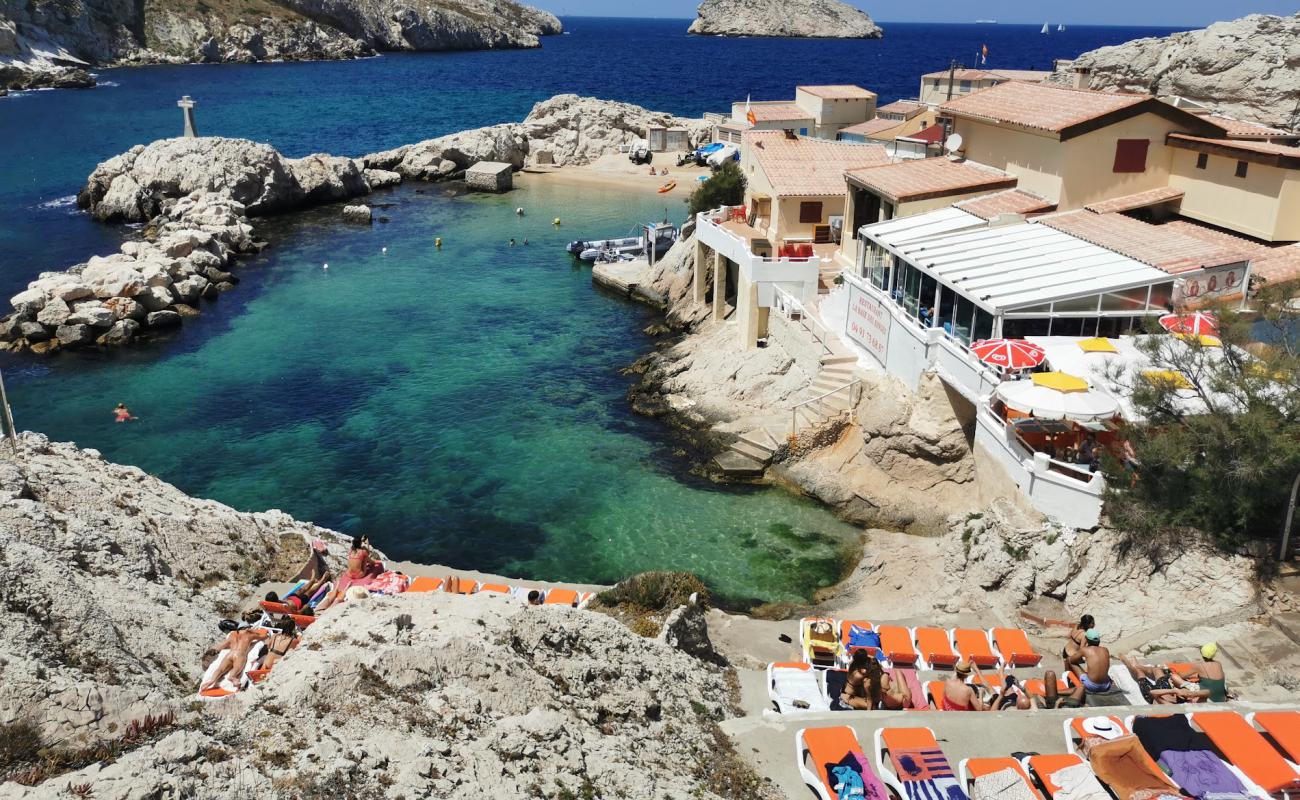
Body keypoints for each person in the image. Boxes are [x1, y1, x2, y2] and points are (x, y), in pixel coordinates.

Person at [1066, 629, 1114, 696]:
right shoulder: (1105, 650)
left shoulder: (1085, 650)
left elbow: (1072, 660)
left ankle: (1066, 683)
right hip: (1106, 685)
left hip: (1092, 686)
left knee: (1068, 659)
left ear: (1087, 639)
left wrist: (1082, 646)